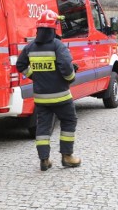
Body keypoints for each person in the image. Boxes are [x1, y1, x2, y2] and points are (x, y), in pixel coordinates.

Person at [15, 9, 81, 171]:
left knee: (43, 127)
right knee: (69, 121)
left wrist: (35, 76)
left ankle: (44, 160)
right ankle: (67, 156)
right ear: (54, 27)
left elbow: (20, 65)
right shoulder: (57, 46)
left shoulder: (30, 47)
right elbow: (66, 68)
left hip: (41, 98)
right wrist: (70, 78)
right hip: (61, 97)